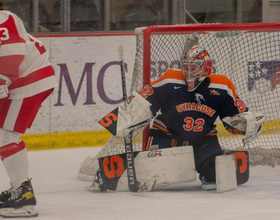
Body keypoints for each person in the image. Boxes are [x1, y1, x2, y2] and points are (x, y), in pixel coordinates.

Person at [96, 35, 264, 191]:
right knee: (151, 170)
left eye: (193, 68)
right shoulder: (170, 79)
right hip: (166, 133)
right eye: (186, 67)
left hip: (203, 138)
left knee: (213, 172)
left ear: (206, 68)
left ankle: (208, 167)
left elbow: (234, 116)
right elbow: (145, 98)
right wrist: (125, 116)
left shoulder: (222, 86)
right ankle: (111, 173)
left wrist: (246, 124)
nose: (188, 72)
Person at [0, 0, 57, 217]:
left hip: (29, 81)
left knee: (5, 135)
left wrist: (1, 83)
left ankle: (24, 197)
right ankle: (19, 189)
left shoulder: (3, 19)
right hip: (20, 80)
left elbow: (10, 57)